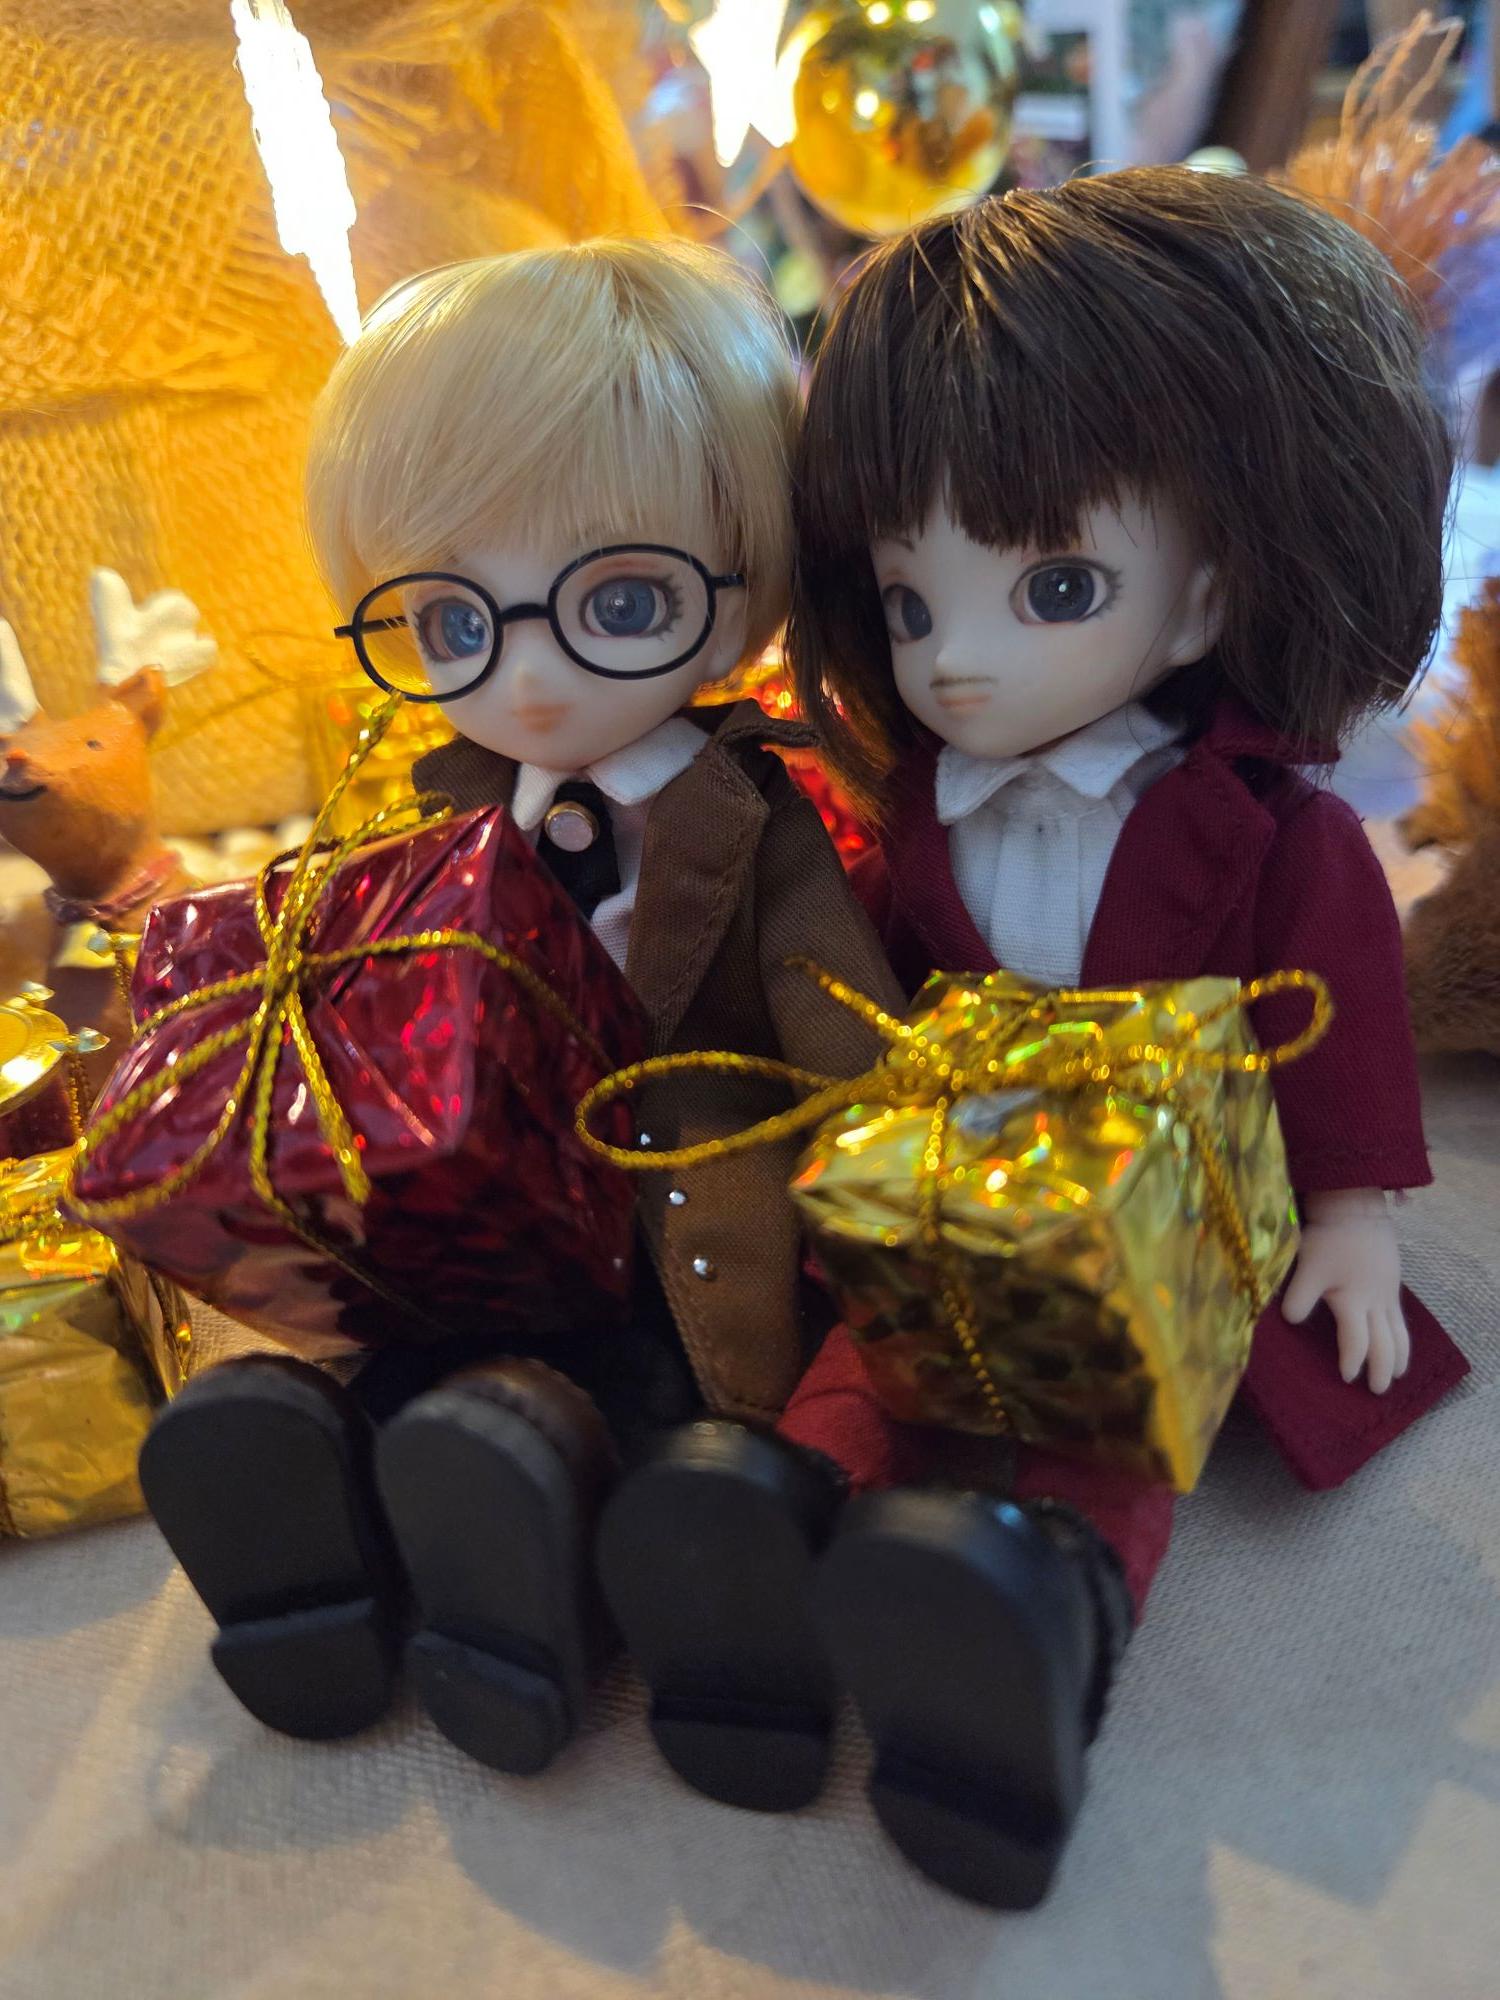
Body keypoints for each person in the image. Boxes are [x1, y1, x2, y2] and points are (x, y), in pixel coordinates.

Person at [598, 170, 1470, 1906]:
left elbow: (1341, 1022)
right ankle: (769, 1548)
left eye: (1055, 586)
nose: (958, 667)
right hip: (962, 1148)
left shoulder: (1273, 834)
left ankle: (1033, 1631)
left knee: (1106, 1405)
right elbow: (877, 965)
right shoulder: (921, 805)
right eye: (912, 606)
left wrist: (1354, 1215)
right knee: (880, 1335)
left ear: (1205, 599)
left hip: (1173, 1187)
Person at [139, 238, 902, 1774]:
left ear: (742, 578)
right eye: (453, 622)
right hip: (479, 1205)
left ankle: (544, 1595)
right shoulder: (433, 811)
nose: (529, 677)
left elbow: (843, 1026)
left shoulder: (757, 818)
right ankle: (324, 1549)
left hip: (684, 1207)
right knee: (408, 1371)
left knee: (649, 1410)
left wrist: (896, 1196)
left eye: (618, 599)